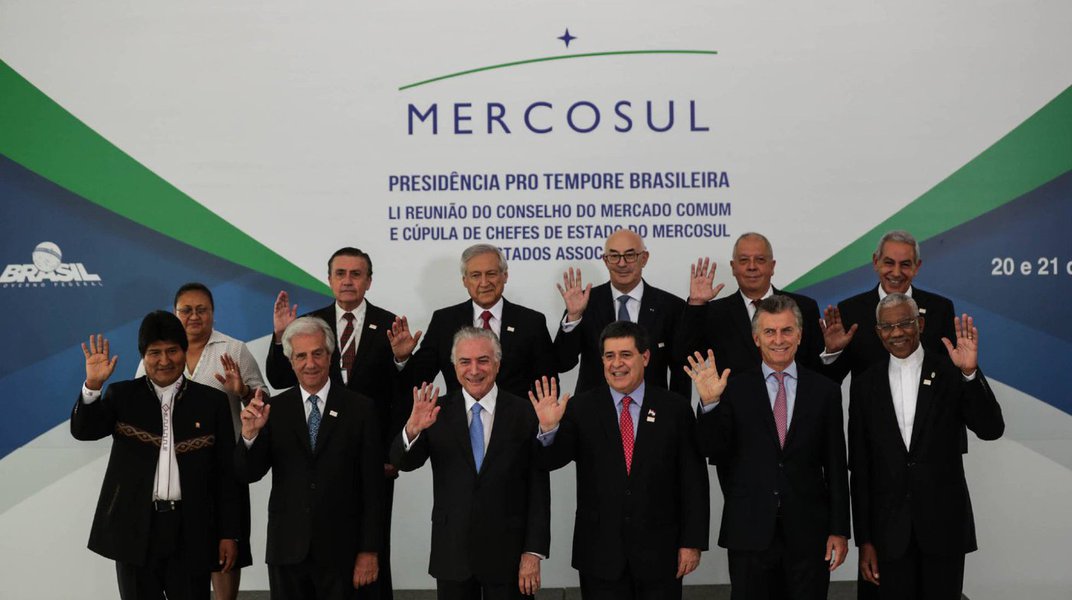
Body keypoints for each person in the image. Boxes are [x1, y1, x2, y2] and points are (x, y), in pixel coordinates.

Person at [686, 295, 850, 599]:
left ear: (800, 335)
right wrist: (709, 404)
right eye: (770, 332)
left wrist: (839, 530)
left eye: (787, 331)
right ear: (756, 338)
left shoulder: (824, 391)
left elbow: (837, 465)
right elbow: (712, 448)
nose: (779, 340)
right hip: (749, 532)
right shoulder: (732, 388)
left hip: (809, 534)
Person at [530, 321, 708, 600]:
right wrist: (549, 429)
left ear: (645, 357)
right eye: (609, 356)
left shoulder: (674, 408)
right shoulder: (581, 407)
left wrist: (692, 542)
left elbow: (693, 480)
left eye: (626, 355)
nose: (617, 364)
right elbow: (550, 460)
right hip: (600, 555)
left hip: (660, 555)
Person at [71, 311, 240, 600]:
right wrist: (93, 387)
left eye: (172, 350)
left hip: (193, 530)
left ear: (184, 352)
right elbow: (84, 430)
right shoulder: (122, 396)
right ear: (143, 356)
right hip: (135, 530)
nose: (164, 361)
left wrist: (229, 533)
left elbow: (226, 473)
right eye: (155, 353)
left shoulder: (211, 402)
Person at [265, 247, 404, 599]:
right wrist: (281, 336)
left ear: (369, 281)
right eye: (340, 273)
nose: (347, 280)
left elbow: (400, 394)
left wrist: (403, 360)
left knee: (369, 559)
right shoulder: (309, 325)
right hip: (316, 462)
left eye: (356, 274)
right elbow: (283, 379)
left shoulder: (391, 325)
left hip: (374, 460)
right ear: (329, 279)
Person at [849, 294, 1003, 599]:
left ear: (920, 324)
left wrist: (970, 374)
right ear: (878, 332)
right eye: (888, 327)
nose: (897, 333)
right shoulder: (865, 384)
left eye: (905, 323)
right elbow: (861, 467)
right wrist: (865, 540)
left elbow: (991, 429)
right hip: (888, 535)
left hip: (943, 528)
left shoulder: (951, 371)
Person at [390, 327, 551, 599]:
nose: (474, 370)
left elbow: (538, 487)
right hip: (452, 554)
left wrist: (532, 552)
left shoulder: (525, 412)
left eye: (483, 360)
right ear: (454, 367)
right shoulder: (434, 411)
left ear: (498, 364)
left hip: (510, 557)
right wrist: (412, 430)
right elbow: (404, 462)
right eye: (465, 361)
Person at [237, 316, 385, 600]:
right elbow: (247, 473)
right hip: (287, 551)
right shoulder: (273, 410)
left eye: (318, 353)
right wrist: (249, 436)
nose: (310, 363)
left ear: (330, 356)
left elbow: (373, 487)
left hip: (343, 552)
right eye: (301, 356)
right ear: (291, 361)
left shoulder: (360, 409)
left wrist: (369, 550)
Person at [135, 282, 266, 600]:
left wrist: (243, 391)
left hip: (223, 467)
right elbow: (140, 404)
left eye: (201, 309)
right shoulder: (157, 354)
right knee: (187, 559)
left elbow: (263, 402)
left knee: (225, 552)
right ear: (175, 312)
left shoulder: (233, 350)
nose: (194, 316)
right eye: (186, 310)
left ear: (213, 312)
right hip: (173, 475)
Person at [388, 244, 556, 398]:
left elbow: (547, 385)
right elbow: (418, 380)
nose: (484, 283)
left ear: (505, 276)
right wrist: (403, 358)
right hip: (459, 422)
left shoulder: (531, 322)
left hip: (515, 423)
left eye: (491, 273)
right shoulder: (444, 321)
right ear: (465, 281)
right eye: (476, 275)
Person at [554, 229, 690, 397]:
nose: (622, 263)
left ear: (644, 258)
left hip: (653, 411)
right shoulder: (585, 302)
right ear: (605, 260)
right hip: (593, 411)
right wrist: (574, 317)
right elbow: (562, 362)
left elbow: (681, 369)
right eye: (614, 256)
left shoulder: (670, 306)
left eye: (630, 255)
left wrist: (678, 412)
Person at [677, 232, 826, 377]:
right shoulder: (714, 312)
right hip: (734, 401)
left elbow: (819, 373)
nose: (752, 266)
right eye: (743, 260)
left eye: (760, 260)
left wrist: (832, 351)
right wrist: (696, 304)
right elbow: (687, 361)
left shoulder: (804, 307)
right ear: (733, 267)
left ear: (772, 266)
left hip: (792, 400)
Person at [820, 230, 956, 383]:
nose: (896, 273)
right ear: (875, 262)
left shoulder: (939, 309)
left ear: (916, 267)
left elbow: (952, 374)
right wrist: (833, 352)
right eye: (889, 263)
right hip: (870, 406)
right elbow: (829, 383)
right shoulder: (850, 310)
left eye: (905, 264)